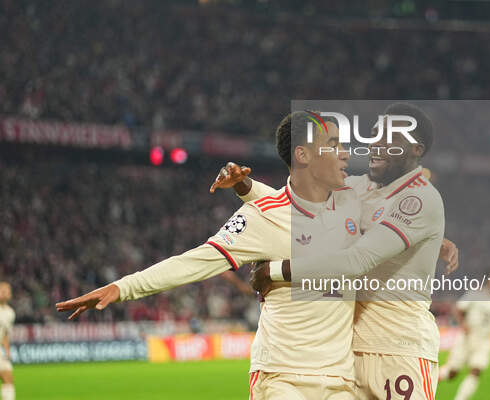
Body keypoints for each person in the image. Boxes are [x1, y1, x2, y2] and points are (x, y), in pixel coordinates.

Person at [57, 112, 364, 399]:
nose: (345, 153)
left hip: (341, 380)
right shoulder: (261, 217)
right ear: (303, 155)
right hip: (283, 377)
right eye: (333, 146)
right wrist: (123, 287)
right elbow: (195, 261)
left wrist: (247, 186)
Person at [212, 103, 459, 400]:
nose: (377, 143)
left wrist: (274, 271)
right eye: (376, 134)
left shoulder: (421, 199)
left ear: (415, 150)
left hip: (397, 348)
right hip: (349, 352)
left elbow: (358, 259)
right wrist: (245, 187)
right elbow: (295, 200)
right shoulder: (355, 188)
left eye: (390, 138)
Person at [439, 268, 490, 400]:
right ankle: (426, 385)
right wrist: (463, 324)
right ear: (488, 279)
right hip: (467, 337)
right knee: (452, 372)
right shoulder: (475, 295)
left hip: (484, 341)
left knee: (476, 370)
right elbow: (459, 309)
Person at [0, 282, 15, 400]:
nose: (5, 293)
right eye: (2, 290)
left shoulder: (10, 313)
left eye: (7, 291)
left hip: (1, 353)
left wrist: (7, 351)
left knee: (8, 378)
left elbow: (4, 334)